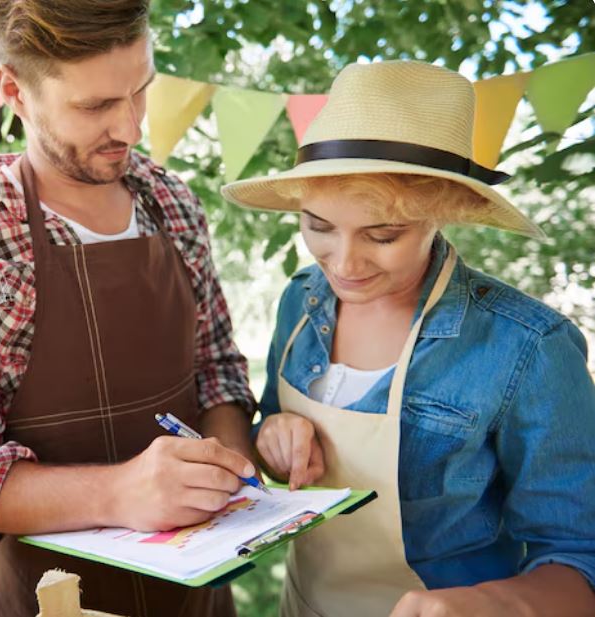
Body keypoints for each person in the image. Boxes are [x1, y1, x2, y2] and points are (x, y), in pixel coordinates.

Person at [0, 1, 257, 615]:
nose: (132, 128)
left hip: (199, 598)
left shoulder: (174, 205)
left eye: (141, 91)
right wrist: (120, 493)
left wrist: (227, 465)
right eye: (94, 107)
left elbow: (217, 369)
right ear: (14, 90)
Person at [222, 60, 595, 617]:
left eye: (383, 235)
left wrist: (489, 605)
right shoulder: (302, 300)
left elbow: (577, 556)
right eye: (319, 226)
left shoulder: (528, 348)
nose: (343, 264)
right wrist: (274, 434)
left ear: (441, 214)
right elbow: (273, 438)